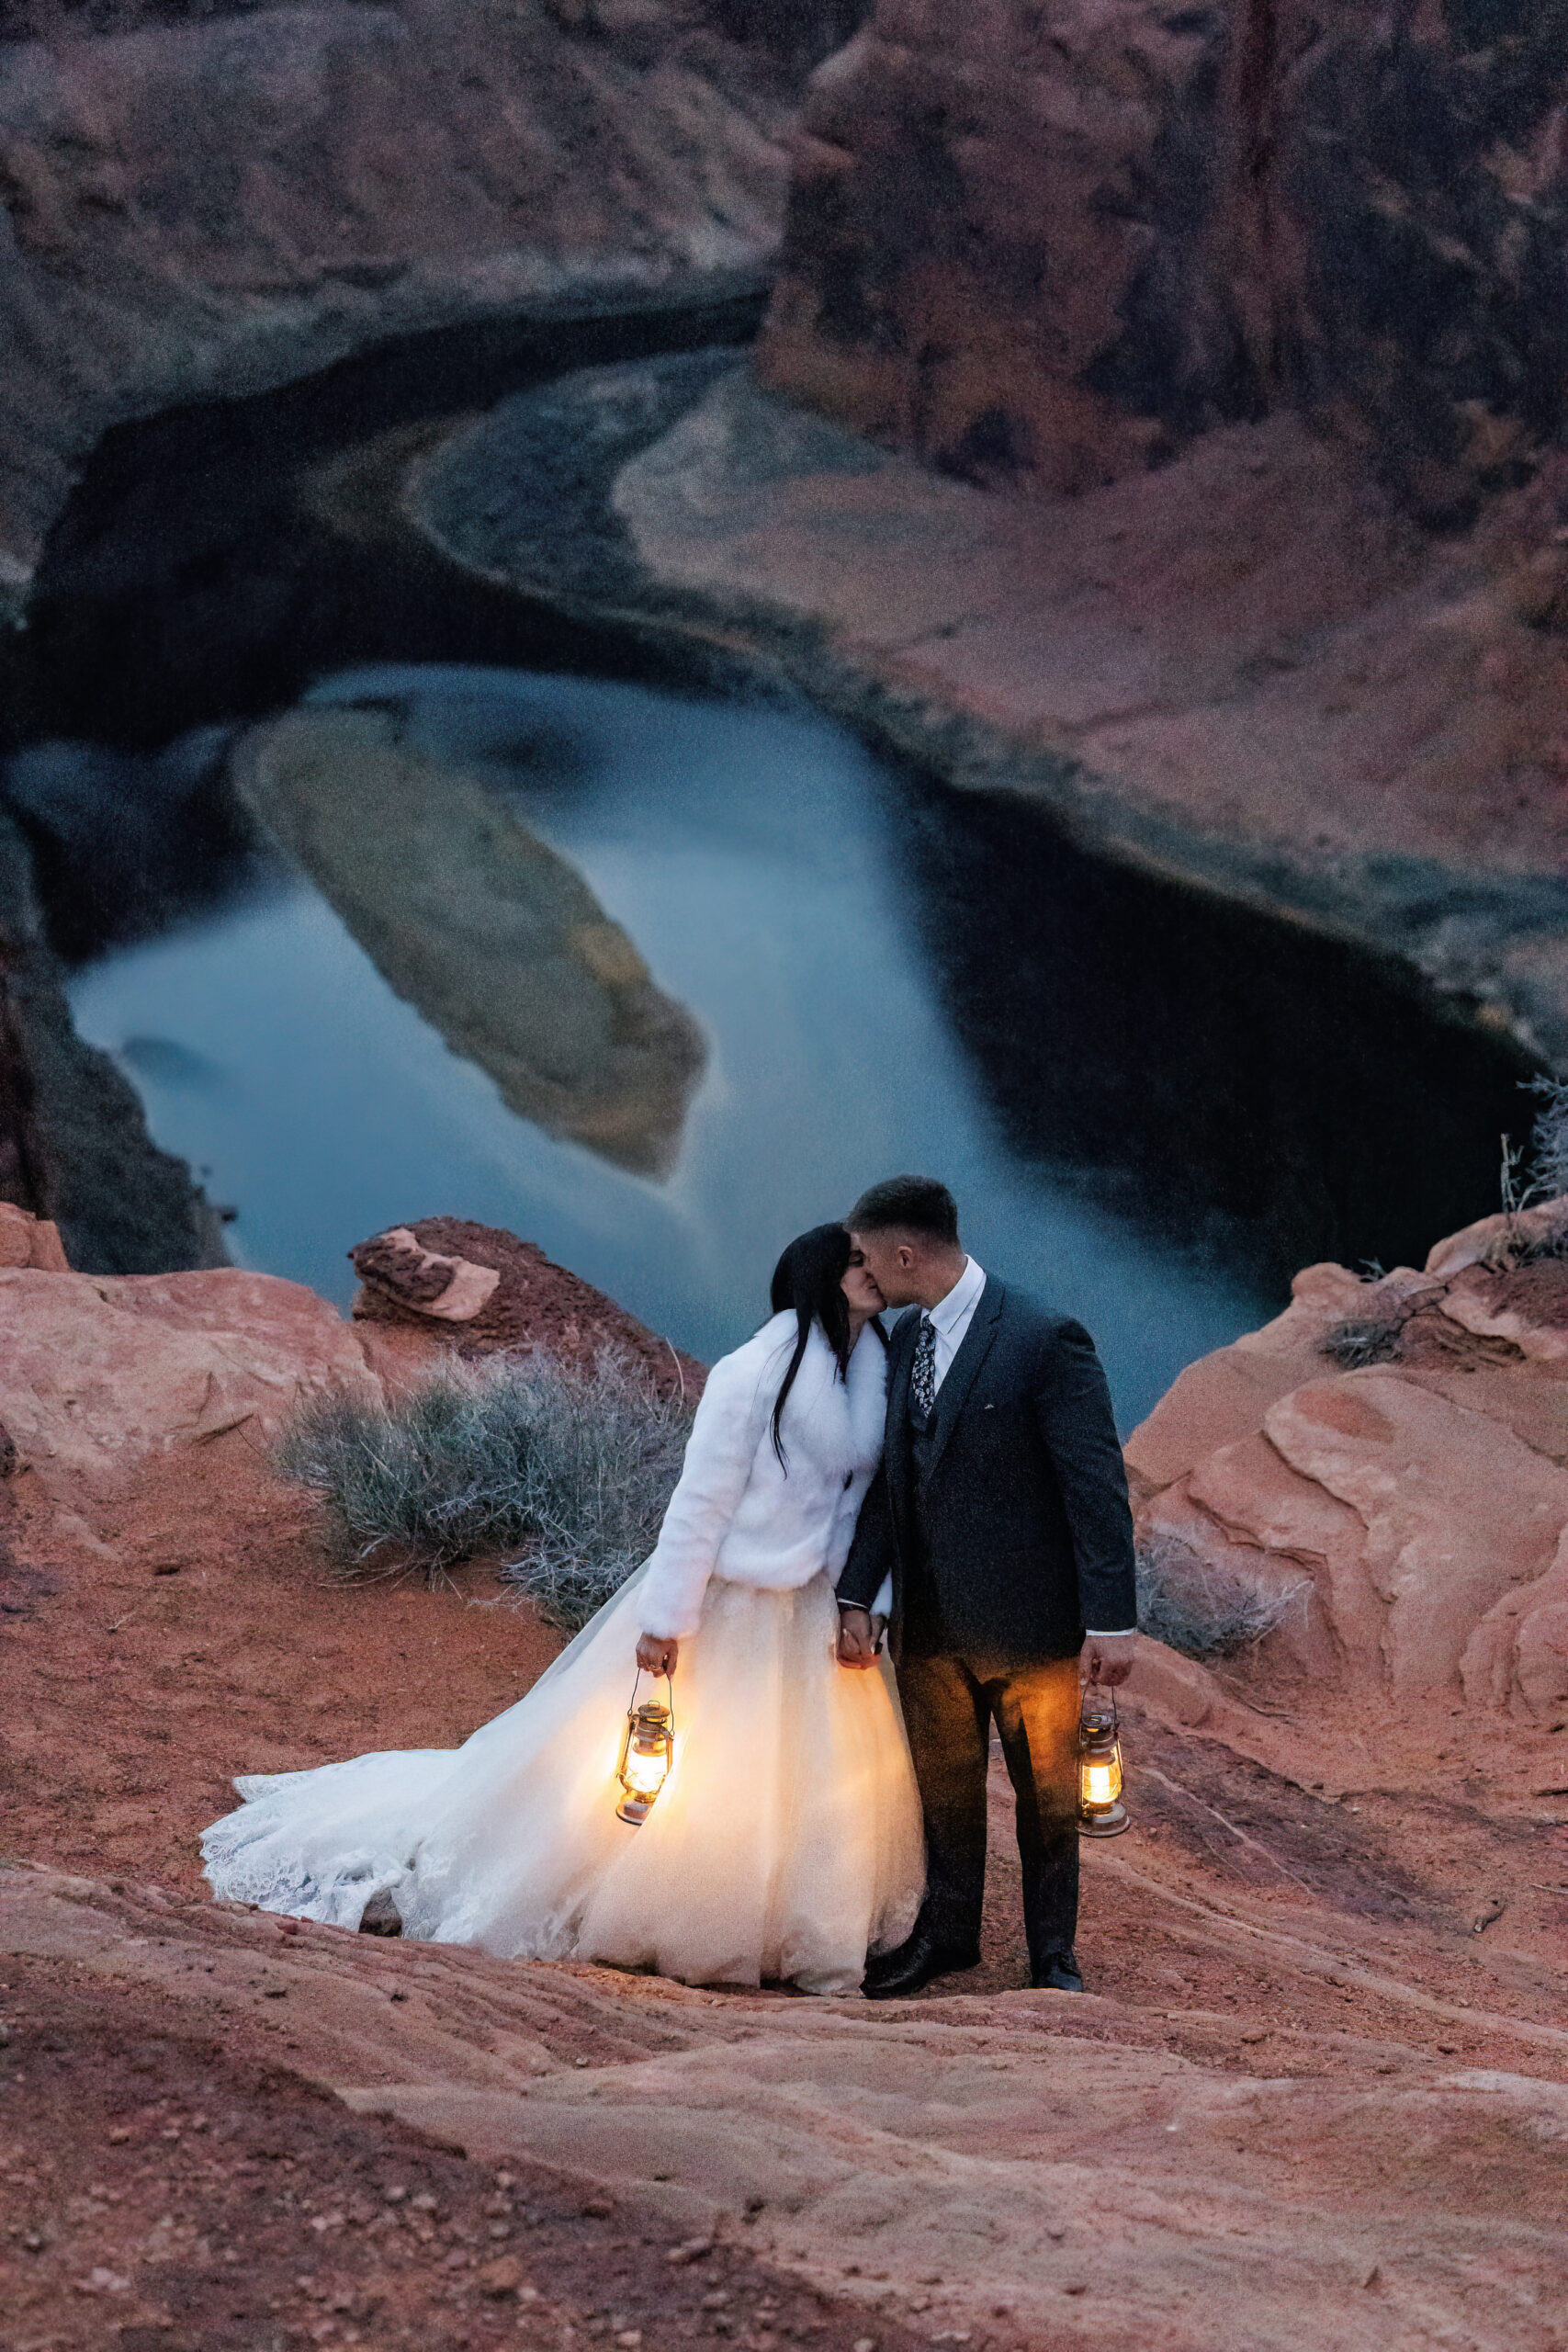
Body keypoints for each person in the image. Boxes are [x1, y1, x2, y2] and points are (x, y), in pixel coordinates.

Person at [201, 1224, 923, 1995]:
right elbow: (698, 1505)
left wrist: (862, 1601)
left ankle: (799, 1916)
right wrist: (665, 1621)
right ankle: (693, 1913)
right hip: (728, 1601)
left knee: (811, 1771)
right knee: (703, 1764)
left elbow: (861, 1505)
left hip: (812, 1606)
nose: (870, 1273)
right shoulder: (752, 1374)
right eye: (851, 1263)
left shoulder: (866, 1374)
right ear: (816, 1275)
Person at [834, 1175, 1137, 1997]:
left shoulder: (1044, 1335)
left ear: (905, 1253)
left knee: (1048, 1800)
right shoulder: (904, 1341)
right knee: (945, 1794)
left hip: (1030, 1625)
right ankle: (949, 1937)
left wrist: (1110, 1619)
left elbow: (1094, 1485)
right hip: (928, 1627)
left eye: (865, 1258)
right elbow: (893, 1484)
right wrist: (856, 1593)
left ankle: (1052, 1958)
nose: (859, 1273)